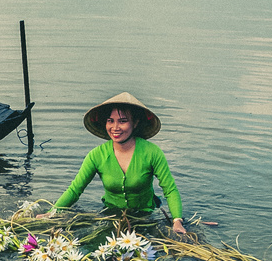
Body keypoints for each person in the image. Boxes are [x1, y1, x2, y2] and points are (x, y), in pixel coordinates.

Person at [48, 93, 186, 235]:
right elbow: (75, 189)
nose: (115, 127)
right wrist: (52, 213)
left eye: (122, 121)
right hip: (111, 215)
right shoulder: (97, 155)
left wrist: (177, 221)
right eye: (110, 121)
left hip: (145, 217)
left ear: (135, 122)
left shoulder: (152, 152)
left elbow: (169, 189)